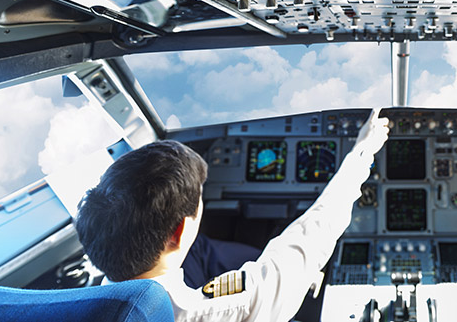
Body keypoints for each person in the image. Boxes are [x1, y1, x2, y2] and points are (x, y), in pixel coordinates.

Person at [75, 107, 389, 322]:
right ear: (179, 231)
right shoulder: (217, 312)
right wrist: (363, 153)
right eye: (199, 203)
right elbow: (306, 243)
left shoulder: (71, 309)